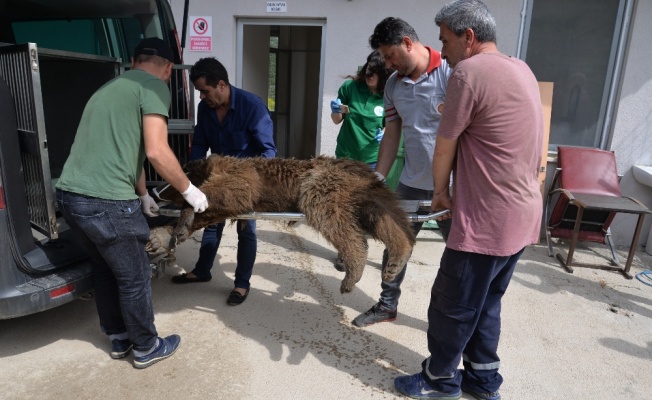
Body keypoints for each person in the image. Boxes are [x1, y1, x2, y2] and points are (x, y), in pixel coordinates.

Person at [393, 1, 544, 399]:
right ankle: (482, 379)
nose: (444, 50)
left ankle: (438, 380)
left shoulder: (469, 72)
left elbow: (445, 145)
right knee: (486, 301)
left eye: (446, 40)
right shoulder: (521, 68)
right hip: (523, 213)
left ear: (468, 37)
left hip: (487, 218)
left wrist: (440, 191)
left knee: (452, 304)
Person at [55, 37, 209, 368]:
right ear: (168, 68)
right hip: (107, 200)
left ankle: (118, 337)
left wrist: (142, 194)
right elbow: (156, 150)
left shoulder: (109, 89)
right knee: (135, 275)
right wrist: (189, 190)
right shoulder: (155, 87)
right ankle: (146, 346)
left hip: (70, 196)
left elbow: (132, 151)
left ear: (134, 61)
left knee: (105, 267)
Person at [352, 17, 452, 328]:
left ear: (408, 43)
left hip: (452, 187)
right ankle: (387, 304)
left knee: (460, 256)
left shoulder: (450, 74)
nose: (389, 65)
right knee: (396, 245)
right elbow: (392, 133)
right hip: (412, 182)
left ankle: (451, 318)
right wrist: (379, 178)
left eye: (392, 56)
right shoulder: (394, 85)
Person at [171, 57, 277, 306]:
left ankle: (241, 284)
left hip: (245, 183)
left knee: (246, 229)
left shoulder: (253, 107)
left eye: (204, 91)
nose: (201, 97)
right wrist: (193, 180)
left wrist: (252, 187)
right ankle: (202, 270)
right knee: (209, 221)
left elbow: (268, 153)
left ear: (221, 84)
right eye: (198, 91)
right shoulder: (204, 108)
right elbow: (199, 144)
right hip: (216, 178)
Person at [329, 50, 401, 271]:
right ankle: (346, 250)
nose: (369, 74)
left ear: (384, 74)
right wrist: (335, 111)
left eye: (375, 72)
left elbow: (392, 128)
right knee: (345, 205)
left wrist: (384, 133)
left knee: (369, 206)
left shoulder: (388, 95)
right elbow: (336, 120)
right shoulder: (350, 88)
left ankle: (371, 245)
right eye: (368, 69)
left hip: (372, 160)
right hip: (346, 158)